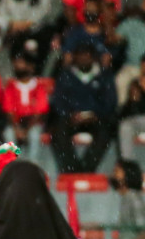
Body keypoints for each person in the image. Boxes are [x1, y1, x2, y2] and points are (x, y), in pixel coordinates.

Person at [50, 44, 118, 174]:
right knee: (58, 131)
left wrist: (96, 114)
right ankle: (71, 170)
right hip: (72, 117)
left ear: (93, 58)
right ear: (75, 58)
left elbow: (110, 101)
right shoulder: (66, 75)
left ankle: (87, 170)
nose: (83, 60)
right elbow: (58, 102)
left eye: (87, 57)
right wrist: (70, 114)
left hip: (96, 117)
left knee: (105, 132)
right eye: (80, 57)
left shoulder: (104, 75)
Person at [3, 53, 53, 152]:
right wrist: (17, 129)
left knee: (34, 135)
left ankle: (32, 164)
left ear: (31, 66)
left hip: (34, 124)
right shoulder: (11, 86)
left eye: (21, 63)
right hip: (15, 123)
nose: (17, 66)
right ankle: (12, 165)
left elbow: (39, 112)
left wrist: (26, 131)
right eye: (16, 63)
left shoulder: (39, 86)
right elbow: (8, 110)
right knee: (8, 134)